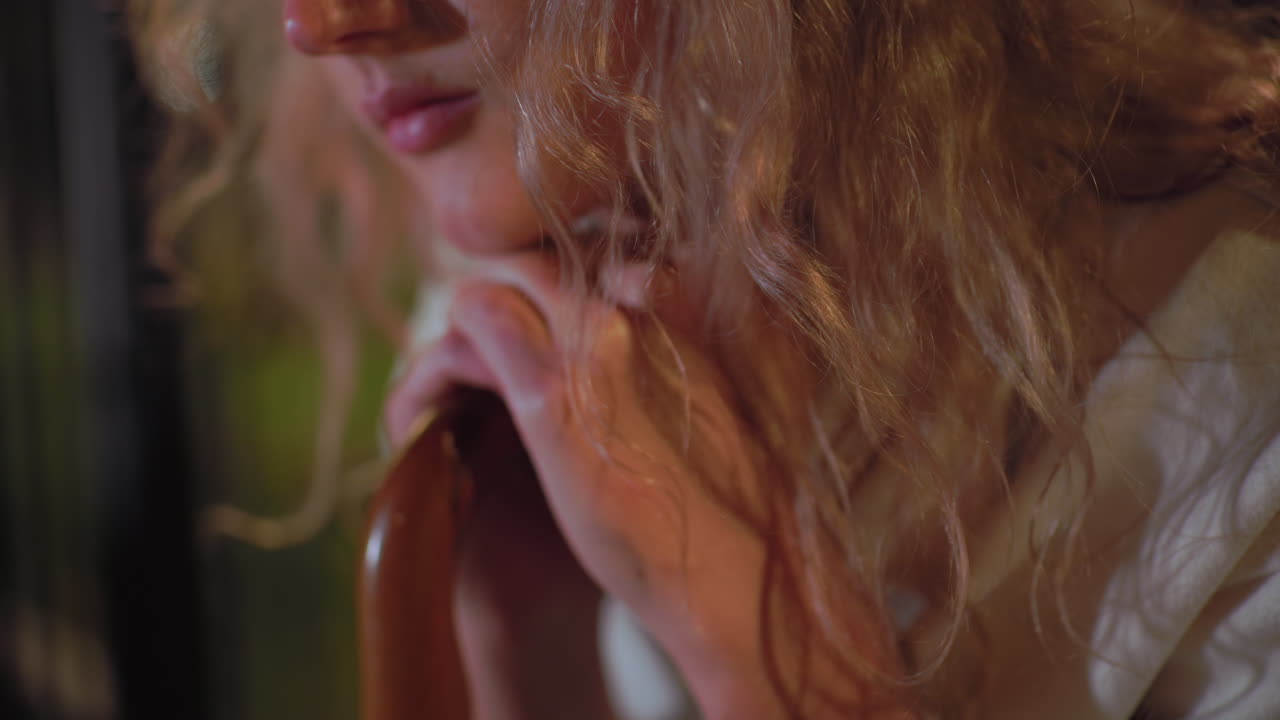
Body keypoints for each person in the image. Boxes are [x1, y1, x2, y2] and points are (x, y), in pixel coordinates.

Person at [130, 0, 1280, 717]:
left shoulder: (1236, 378)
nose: (318, 24)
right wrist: (529, 656)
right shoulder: (525, 297)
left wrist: (783, 664)